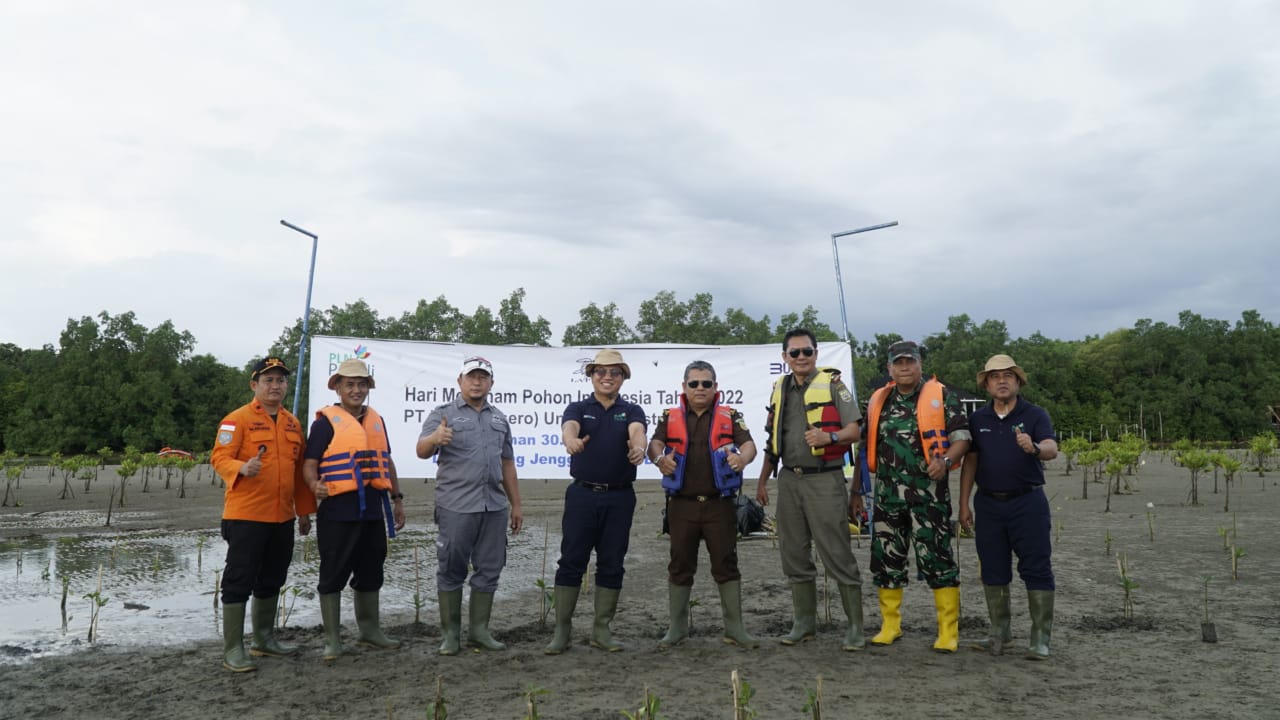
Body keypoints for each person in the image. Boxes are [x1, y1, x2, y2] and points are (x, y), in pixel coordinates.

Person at [755, 329, 866, 651]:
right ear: (785, 357)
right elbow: (772, 442)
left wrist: (829, 438)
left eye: (806, 352)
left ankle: (855, 628)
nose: (801, 358)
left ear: (816, 354)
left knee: (836, 552)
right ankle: (804, 624)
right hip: (789, 480)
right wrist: (763, 480)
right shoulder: (780, 388)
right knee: (793, 553)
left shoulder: (833, 385)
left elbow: (855, 430)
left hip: (824, 479)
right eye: (794, 353)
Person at [210, 356, 316, 672]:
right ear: (254, 384)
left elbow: (299, 474)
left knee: (272, 577)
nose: (275, 385)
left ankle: (264, 640)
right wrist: (241, 467)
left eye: (280, 380)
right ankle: (233, 649)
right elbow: (218, 457)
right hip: (246, 515)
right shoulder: (236, 420)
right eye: (268, 380)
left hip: (282, 517)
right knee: (239, 579)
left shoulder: (292, 423)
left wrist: (306, 512)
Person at [864, 340, 971, 652]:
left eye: (910, 361)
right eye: (898, 362)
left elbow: (962, 437)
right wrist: (858, 491)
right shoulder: (879, 401)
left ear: (920, 364)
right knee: (886, 560)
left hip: (929, 498)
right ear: (889, 368)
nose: (905, 367)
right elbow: (864, 443)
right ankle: (890, 625)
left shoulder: (942, 396)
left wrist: (946, 461)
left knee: (938, 558)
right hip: (887, 498)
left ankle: (948, 631)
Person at [416, 355, 524, 656]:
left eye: (483, 377)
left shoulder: (499, 418)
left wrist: (516, 504)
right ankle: (450, 634)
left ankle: (479, 632)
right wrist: (435, 438)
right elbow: (421, 450)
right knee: (451, 568)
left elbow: (507, 464)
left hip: (493, 506)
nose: (477, 382)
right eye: (471, 377)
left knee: (489, 568)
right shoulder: (443, 414)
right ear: (460, 381)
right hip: (456, 505)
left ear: (491, 383)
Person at [648, 360, 759, 649]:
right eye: (694, 383)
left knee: (726, 564)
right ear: (684, 387)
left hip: (719, 506)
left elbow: (749, 445)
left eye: (706, 383)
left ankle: (735, 629)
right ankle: (677, 628)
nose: (700, 388)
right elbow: (654, 445)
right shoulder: (669, 416)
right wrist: (661, 459)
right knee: (679, 564)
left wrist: (742, 459)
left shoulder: (730, 415)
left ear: (715, 387)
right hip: (681, 506)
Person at [545, 348, 648, 654]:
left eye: (614, 372)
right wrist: (570, 441)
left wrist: (639, 449)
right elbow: (569, 428)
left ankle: (601, 630)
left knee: (612, 563)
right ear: (591, 376)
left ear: (623, 378)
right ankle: (562, 631)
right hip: (582, 495)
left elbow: (638, 432)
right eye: (601, 372)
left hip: (620, 497)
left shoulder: (631, 410)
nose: (607, 377)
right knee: (571, 561)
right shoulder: (578, 408)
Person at [303, 358, 406, 660]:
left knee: (372, 570)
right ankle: (333, 640)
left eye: (361, 384)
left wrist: (397, 498)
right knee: (333, 572)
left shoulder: (376, 420)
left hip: (373, 509)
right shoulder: (324, 423)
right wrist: (313, 486)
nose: (356, 390)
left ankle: (369, 632)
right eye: (350, 384)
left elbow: (385, 461)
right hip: (338, 510)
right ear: (338, 387)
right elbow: (309, 464)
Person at [959, 354, 1059, 659]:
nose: (1001, 381)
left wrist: (1035, 447)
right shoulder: (978, 420)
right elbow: (970, 461)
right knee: (992, 569)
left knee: (1036, 567)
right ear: (986, 384)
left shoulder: (1035, 414)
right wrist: (963, 504)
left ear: (1018, 381)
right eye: (994, 377)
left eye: (1007, 376)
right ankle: (999, 633)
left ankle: (1040, 638)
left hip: (1027, 503)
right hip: (988, 504)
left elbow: (1052, 449)